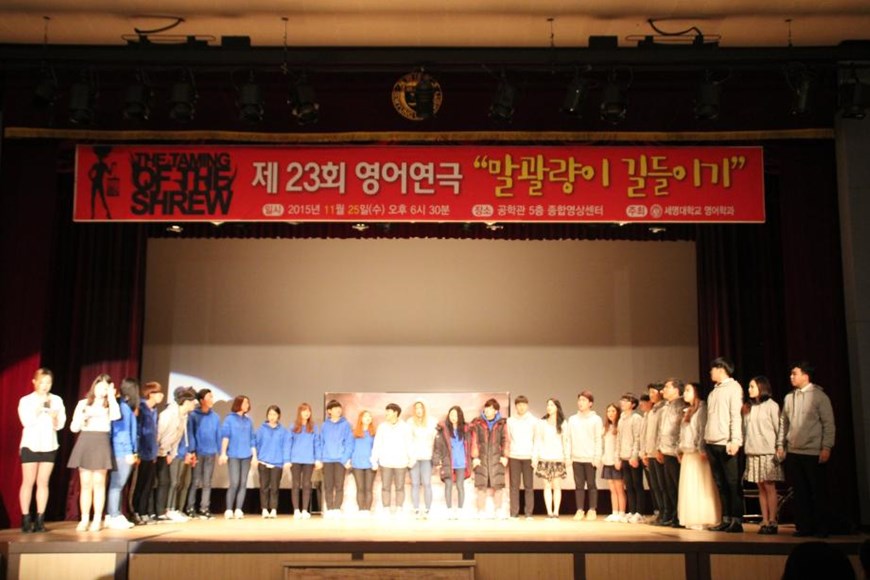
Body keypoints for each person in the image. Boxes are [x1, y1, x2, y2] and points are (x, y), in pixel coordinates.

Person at [776, 361, 836, 538]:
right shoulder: (789, 397)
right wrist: (780, 444)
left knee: (817, 492)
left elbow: (828, 423)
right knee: (800, 492)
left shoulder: (819, 396)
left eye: (795, 373)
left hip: (813, 452)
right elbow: (783, 423)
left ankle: (821, 527)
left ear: (805, 375)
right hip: (794, 451)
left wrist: (826, 447)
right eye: (791, 373)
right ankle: (804, 526)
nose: (791, 377)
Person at [68, 373, 121, 531]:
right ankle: (84, 519)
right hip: (85, 440)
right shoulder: (83, 403)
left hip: (101, 441)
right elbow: (73, 428)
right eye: (100, 386)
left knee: (99, 483)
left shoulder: (109, 404)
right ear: (94, 386)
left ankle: (97, 519)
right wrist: (82, 418)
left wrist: (111, 396)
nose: (102, 390)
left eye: (105, 388)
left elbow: (116, 416)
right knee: (85, 484)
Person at [18, 367, 66, 533]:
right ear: (34, 382)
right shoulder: (26, 400)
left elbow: (60, 425)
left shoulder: (57, 400)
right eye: (42, 382)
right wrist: (38, 409)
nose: (45, 386)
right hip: (30, 444)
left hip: (49, 444)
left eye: (48, 383)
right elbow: (26, 421)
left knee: (43, 482)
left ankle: (40, 519)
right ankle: (26, 518)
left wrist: (55, 418)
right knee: (28, 482)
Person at [705, 356, 744, 533]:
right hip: (711, 441)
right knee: (720, 483)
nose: (710, 372)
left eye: (713, 369)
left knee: (732, 482)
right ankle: (726, 518)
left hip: (726, 443)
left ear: (721, 369)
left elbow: (736, 416)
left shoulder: (734, 388)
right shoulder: (714, 391)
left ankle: (736, 520)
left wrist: (735, 440)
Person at [742, 375, 784, 534]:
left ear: (762, 387)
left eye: (752, 386)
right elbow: (745, 430)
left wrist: (780, 446)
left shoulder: (772, 405)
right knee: (760, 487)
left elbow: (779, 428)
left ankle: (773, 520)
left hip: (767, 452)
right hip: (753, 451)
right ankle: (764, 519)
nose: (749, 389)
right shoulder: (749, 407)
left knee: (769, 486)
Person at [677, 382, 721, 530]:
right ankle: (691, 517)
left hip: (698, 453)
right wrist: (680, 450)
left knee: (701, 485)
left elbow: (702, 430)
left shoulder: (702, 409)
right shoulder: (687, 410)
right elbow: (683, 432)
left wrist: (702, 449)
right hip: (688, 453)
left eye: (688, 390)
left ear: (696, 392)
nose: (685, 393)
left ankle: (704, 517)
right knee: (689, 486)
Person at [156, 386, 197, 522]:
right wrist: (157, 451)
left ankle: (169, 510)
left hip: (167, 452)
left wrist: (171, 453)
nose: (195, 404)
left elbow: (177, 438)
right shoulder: (169, 414)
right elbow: (159, 433)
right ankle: (164, 510)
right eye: (192, 401)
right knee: (169, 482)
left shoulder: (183, 416)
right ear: (186, 402)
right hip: (156, 452)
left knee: (170, 482)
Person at [105, 377, 139, 530]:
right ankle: (113, 515)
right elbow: (123, 432)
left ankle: (114, 514)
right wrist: (129, 452)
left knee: (117, 485)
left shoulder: (123, 406)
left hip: (121, 451)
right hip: (121, 452)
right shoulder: (123, 408)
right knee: (117, 484)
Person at [371, 403, 413, 516]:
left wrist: (411, 459)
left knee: (400, 487)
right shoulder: (382, 427)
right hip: (385, 462)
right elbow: (377, 444)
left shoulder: (405, 427)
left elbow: (409, 444)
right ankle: (386, 508)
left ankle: (399, 508)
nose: (386, 414)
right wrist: (374, 460)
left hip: (401, 462)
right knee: (385, 487)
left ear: (395, 413)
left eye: (388, 412)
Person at [469, 398, 509, 519]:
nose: (487, 410)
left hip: (497, 458)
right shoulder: (478, 423)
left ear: (496, 411)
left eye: (490, 408)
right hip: (481, 458)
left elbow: (505, 440)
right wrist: (475, 457)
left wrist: (505, 456)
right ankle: (481, 511)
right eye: (486, 408)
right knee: (481, 485)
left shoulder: (502, 424)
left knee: (498, 485)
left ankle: (498, 510)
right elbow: (474, 440)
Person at [567, 390, 603, 521]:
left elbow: (598, 439)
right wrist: (568, 456)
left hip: (590, 458)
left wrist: (597, 457)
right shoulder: (572, 419)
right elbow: (568, 438)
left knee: (591, 484)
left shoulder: (596, 419)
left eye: (584, 400)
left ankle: (592, 509)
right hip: (576, 457)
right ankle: (580, 509)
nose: (580, 402)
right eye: (579, 400)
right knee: (579, 485)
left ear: (590, 403)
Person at [219, 395, 257, 519]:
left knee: (243, 482)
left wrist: (254, 456)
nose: (247, 405)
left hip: (246, 455)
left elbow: (252, 439)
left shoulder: (249, 420)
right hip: (233, 454)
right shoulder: (229, 419)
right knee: (234, 482)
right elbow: (225, 436)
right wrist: (223, 453)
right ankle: (229, 509)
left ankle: (239, 509)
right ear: (238, 404)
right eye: (245, 403)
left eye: (248, 403)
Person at [185, 388, 221, 519]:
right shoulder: (193, 415)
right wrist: (192, 450)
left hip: (211, 453)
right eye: (209, 397)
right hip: (198, 452)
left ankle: (204, 508)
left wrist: (220, 451)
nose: (211, 399)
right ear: (201, 400)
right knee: (195, 481)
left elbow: (218, 434)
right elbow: (191, 433)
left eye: (212, 397)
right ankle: (190, 507)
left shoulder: (215, 416)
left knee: (207, 482)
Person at [656, 378, 687, 527]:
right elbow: (661, 430)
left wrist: (679, 449)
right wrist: (659, 448)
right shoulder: (665, 407)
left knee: (678, 486)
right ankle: (674, 515)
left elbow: (681, 429)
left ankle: (681, 516)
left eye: (667, 387)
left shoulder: (681, 405)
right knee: (669, 487)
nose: (663, 390)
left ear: (676, 390)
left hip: (676, 452)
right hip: (666, 450)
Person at [132, 381, 163, 525]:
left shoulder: (154, 410)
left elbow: (153, 434)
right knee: (139, 484)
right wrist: (137, 452)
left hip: (151, 454)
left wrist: (154, 452)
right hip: (141, 453)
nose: (161, 395)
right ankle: (135, 512)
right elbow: (138, 431)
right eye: (158, 393)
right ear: (151, 394)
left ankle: (143, 512)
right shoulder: (142, 408)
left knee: (148, 484)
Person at [433, 405, 472, 519]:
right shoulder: (443, 429)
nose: (453, 417)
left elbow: (470, 445)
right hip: (448, 462)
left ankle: (460, 510)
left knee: (460, 486)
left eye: (455, 415)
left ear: (460, 416)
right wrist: (437, 460)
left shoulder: (466, 430)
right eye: (451, 415)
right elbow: (437, 447)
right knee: (448, 486)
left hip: (461, 462)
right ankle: (449, 510)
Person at [533, 398, 570, 518]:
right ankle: (549, 511)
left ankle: (556, 511)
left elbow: (566, 442)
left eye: (552, 405)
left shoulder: (563, 423)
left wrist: (567, 456)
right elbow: (537, 441)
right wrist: (535, 456)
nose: (549, 407)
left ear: (557, 408)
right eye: (548, 405)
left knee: (557, 486)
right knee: (547, 486)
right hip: (544, 458)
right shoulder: (542, 423)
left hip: (558, 458)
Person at [320, 399, 353, 518]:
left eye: (339, 408)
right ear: (329, 411)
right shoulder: (325, 425)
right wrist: (321, 457)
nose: (338, 410)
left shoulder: (345, 424)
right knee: (328, 485)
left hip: (340, 460)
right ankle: (329, 508)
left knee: (339, 485)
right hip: (327, 459)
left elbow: (349, 442)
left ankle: (337, 508)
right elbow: (321, 442)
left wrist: (345, 458)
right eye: (335, 408)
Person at [288, 402, 322, 519]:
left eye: (308, 411)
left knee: (307, 484)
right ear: (300, 412)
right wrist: (287, 459)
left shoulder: (313, 427)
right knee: (296, 484)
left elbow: (317, 444)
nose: (307, 413)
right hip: (295, 459)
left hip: (309, 460)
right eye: (304, 411)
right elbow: (288, 443)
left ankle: (304, 510)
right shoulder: (293, 426)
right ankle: (296, 510)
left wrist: (318, 459)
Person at [255, 405, 290, 518]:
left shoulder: (283, 431)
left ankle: (273, 509)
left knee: (275, 487)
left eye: (274, 414)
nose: (272, 416)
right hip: (263, 461)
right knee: (264, 487)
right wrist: (257, 457)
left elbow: (286, 446)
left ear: (278, 416)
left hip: (277, 463)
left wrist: (286, 460)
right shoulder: (261, 429)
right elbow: (257, 444)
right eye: (270, 414)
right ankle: (264, 509)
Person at [507, 395, 538, 519]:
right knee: (514, 486)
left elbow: (536, 440)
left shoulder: (533, 421)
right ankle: (514, 513)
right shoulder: (510, 421)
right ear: (515, 406)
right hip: (514, 456)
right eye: (519, 405)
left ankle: (528, 513)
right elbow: (508, 439)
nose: (521, 407)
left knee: (528, 486)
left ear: (527, 406)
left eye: (523, 404)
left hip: (528, 456)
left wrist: (535, 456)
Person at [616, 393, 644, 523]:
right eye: (622, 400)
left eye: (626, 401)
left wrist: (635, 456)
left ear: (633, 404)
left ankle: (639, 512)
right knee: (629, 485)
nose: (622, 403)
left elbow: (638, 438)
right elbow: (619, 439)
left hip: (633, 457)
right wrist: (618, 457)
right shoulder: (621, 419)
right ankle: (632, 511)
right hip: (624, 456)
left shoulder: (636, 418)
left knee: (637, 484)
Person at [407, 399, 437, 519]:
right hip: (414, 458)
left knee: (427, 483)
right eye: (416, 408)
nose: (419, 410)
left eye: (421, 408)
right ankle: (416, 509)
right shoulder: (410, 422)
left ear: (424, 409)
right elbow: (407, 441)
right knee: (415, 484)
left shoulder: (432, 422)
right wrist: (410, 456)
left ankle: (427, 509)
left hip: (427, 457)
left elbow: (435, 439)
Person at [640, 383, 666, 523]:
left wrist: (659, 449)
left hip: (659, 453)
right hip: (650, 453)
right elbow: (646, 435)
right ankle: (661, 512)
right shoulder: (652, 412)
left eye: (653, 392)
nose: (650, 395)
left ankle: (667, 513)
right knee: (655, 486)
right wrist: (645, 452)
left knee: (663, 486)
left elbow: (661, 432)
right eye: (649, 392)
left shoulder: (663, 409)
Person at [602, 403, 626, 522]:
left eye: (613, 411)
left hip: (617, 461)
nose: (610, 413)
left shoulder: (620, 427)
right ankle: (614, 512)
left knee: (619, 488)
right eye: (608, 411)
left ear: (618, 413)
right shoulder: (606, 428)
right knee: (612, 488)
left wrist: (619, 459)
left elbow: (620, 445)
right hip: (607, 461)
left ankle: (622, 513)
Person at [350, 410, 376, 515]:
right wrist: (349, 460)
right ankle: (361, 510)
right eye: (365, 416)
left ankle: (367, 510)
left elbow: (376, 449)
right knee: (360, 488)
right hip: (357, 464)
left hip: (370, 464)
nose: (368, 418)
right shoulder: (354, 433)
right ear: (361, 418)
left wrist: (376, 462)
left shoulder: (373, 433)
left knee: (368, 489)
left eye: (369, 416)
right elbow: (350, 448)